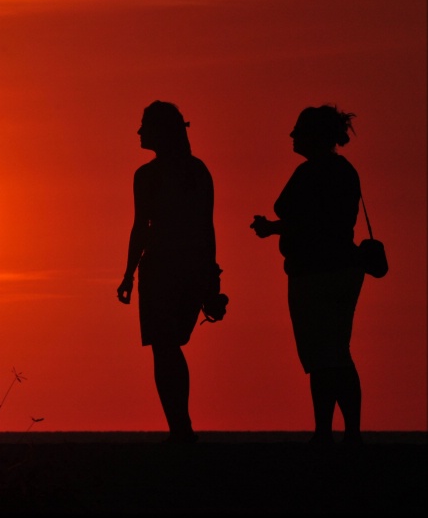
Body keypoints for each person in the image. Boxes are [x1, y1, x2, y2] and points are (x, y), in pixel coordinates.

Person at [250, 104, 364, 447]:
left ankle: (329, 432)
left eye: (298, 130)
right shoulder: (345, 171)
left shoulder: (312, 172)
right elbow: (321, 221)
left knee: (323, 354)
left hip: (314, 273)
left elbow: (299, 216)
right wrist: (275, 229)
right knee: (332, 352)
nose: (291, 136)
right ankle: (341, 432)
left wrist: (273, 228)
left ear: (314, 136)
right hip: (343, 269)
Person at [117, 101, 226, 444]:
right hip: (188, 267)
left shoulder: (151, 176)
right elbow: (206, 229)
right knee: (169, 346)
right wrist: (210, 279)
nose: (138, 132)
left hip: (165, 268)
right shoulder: (197, 170)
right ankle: (180, 427)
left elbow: (141, 228)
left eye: (145, 125)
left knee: (165, 347)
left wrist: (128, 275)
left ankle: (181, 428)